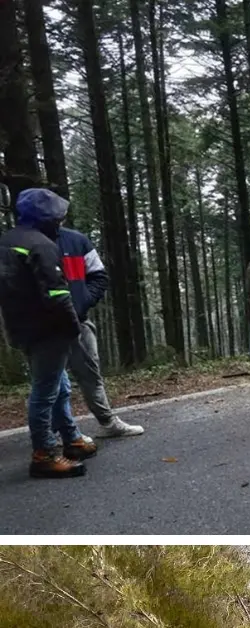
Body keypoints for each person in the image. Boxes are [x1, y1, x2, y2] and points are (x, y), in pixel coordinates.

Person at [2, 188, 90, 478]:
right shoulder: (41, 245)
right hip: (48, 329)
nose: (60, 222)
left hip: (21, 328)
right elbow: (56, 294)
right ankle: (44, 454)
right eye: (57, 217)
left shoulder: (8, 241)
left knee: (58, 384)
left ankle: (72, 438)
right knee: (45, 391)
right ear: (45, 218)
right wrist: (73, 328)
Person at [55, 217, 143, 436]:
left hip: (78, 321)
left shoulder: (77, 241)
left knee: (90, 373)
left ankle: (108, 422)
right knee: (52, 382)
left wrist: (82, 301)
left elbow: (98, 276)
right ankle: (57, 434)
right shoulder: (26, 243)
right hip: (42, 326)